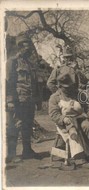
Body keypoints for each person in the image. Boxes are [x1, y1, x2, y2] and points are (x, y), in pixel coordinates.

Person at [48, 70, 89, 169]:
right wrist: (63, 119)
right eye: (65, 87)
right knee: (73, 131)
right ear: (59, 86)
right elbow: (53, 114)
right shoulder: (54, 97)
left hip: (79, 118)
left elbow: (88, 106)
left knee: (87, 126)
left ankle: (88, 153)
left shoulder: (77, 94)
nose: (68, 89)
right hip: (65, 122)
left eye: (70, 86)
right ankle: (79, 158)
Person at [6, 34, 42, 163]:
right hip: (18, 100)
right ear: (20, 47)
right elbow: (8, 83)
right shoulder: (12, 62)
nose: (30, 50)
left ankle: (27, 151)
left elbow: (35, 83)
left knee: (27, 125)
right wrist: (10, 101)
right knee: (15, 125)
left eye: (30, 48)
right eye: (27, 48)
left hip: (29, 100)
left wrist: (38, 101)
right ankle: (11, 154)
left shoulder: (30, 63)